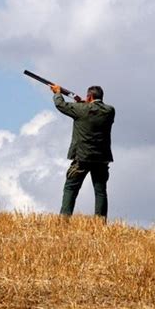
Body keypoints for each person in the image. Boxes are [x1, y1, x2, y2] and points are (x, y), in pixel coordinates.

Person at [50, 84, 115, 220]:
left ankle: (64, 220)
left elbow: (61, 105)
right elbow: (94, 110)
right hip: (101, 158)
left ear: (89, 96)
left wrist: (57, 93)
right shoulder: (110, 111)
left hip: (82, 157)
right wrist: (84, 103)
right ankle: (100, 222)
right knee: (100, 192)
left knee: (70, 188)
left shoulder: (81, 109)